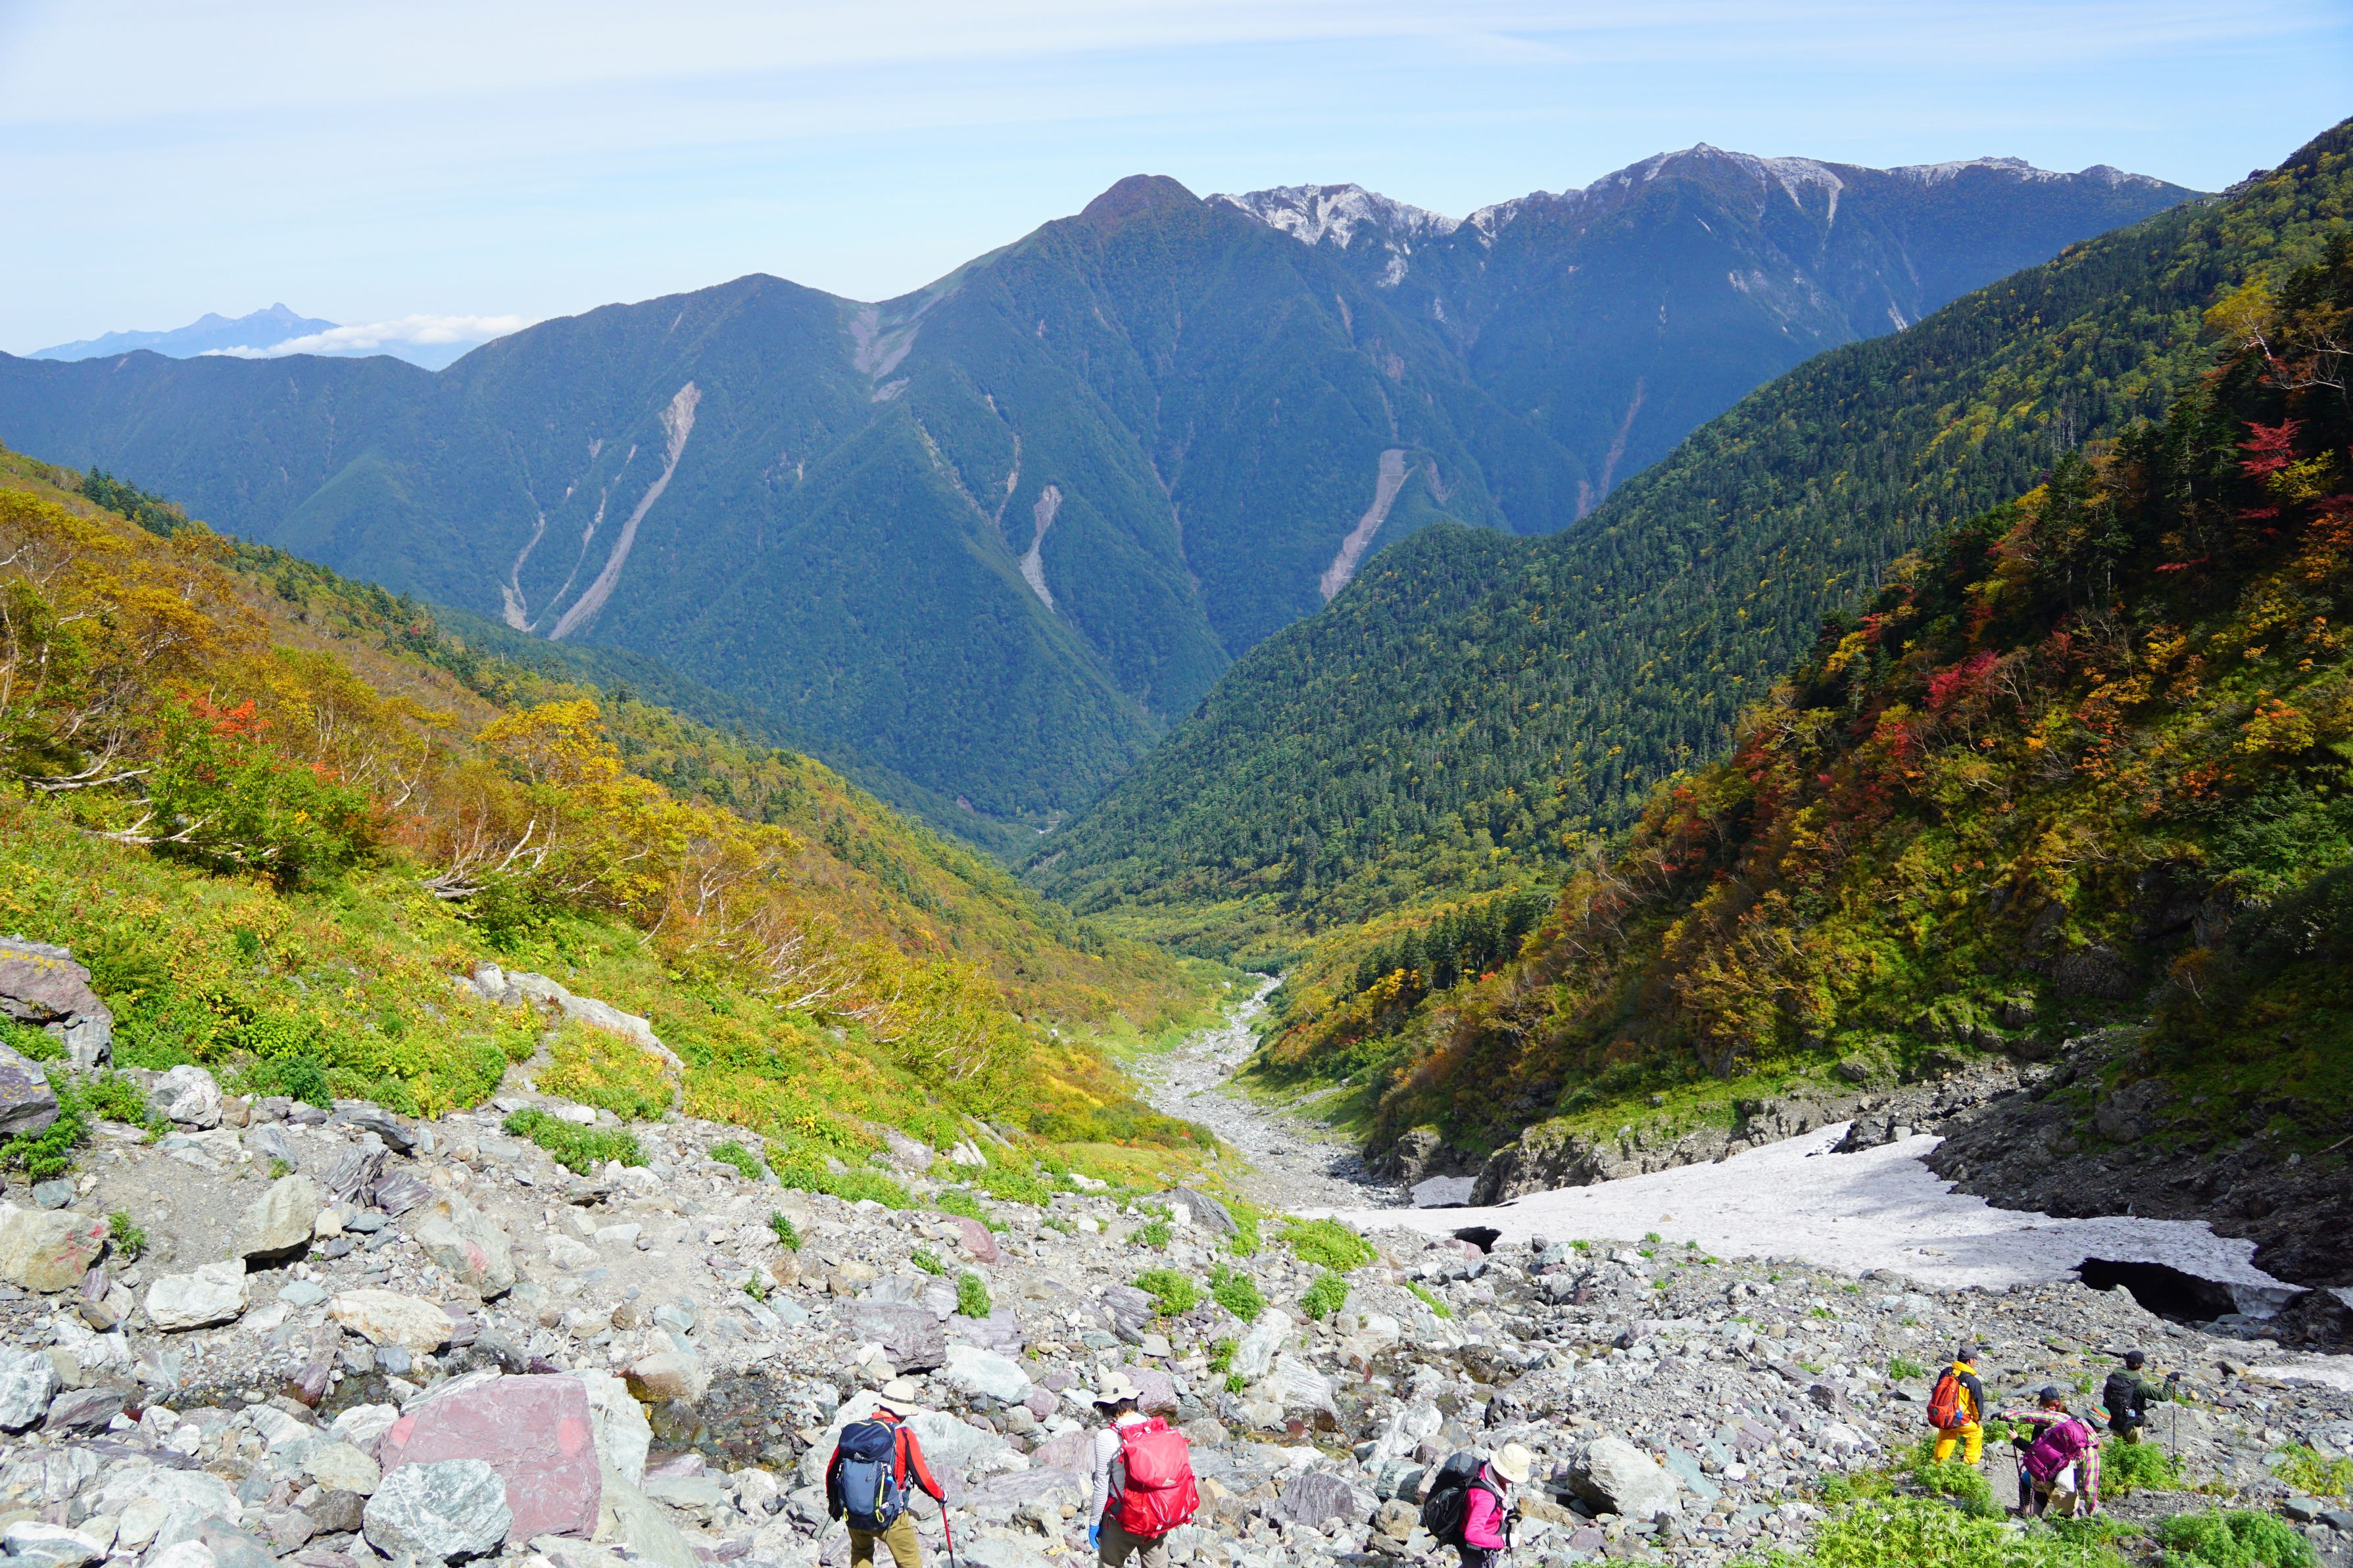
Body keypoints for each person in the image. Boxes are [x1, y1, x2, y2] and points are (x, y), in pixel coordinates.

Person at [827, 1380, 946, 1568]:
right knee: (910, 1563)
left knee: (861, 1554)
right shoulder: (903, 1434)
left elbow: (832, 1470)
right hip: (891, 1516)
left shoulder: (855, 1433)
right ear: (903, 1411)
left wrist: (833, 1503)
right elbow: (922, 1478)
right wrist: (940, 1495)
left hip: (855, 1513)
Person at [1088, 1372, 1166, 1568]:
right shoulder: (1152, 1425)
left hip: (1123, 1515)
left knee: (1109, 1564)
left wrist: (1094, 1523)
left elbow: (1101, 1484)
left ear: (1106, 1405)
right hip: (1156, 1511)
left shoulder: (1106, 1437)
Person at [2013, 1387, 2099, 1519]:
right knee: (2067, 1507)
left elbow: (2033, 1451)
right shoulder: (2072, 1420)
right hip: (2069, 1475)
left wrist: (2017, 1439)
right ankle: (2072, 1518)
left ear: (2042, 1404)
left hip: (2046, 1471)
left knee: (2025, 1480)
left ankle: (2026, 1513)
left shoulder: (2044, 1423)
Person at [1456, 1444, 1533, 1568]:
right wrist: (1503, 1541)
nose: (1514, 1481)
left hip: (1483, 1534)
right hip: (1475, 1548)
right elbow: (1472, 1534)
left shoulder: (1487, 1469)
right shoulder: (1486, 1498)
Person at [1929, 1344, 1989, 1465]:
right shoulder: (1973, 1382)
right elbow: (1976, 1405)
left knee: (1946, 1436)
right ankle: (1969, 1463)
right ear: (1970, 1360)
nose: (1976, 1362)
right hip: (1960, 1418)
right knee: (1976, 1432)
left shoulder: (1945, 1372)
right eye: (1975, 1359)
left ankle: (1938, 1465)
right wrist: (1978, 1420)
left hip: (1944, 1416)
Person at [2102, 1350, 2175, 1444]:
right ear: (2141, 1365)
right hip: (2133, 1423)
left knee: (2118, 1448)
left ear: (2126, 1362)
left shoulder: (2114, 1377)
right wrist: (2170, 1380)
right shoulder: (2139, 1385)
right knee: (2134, 1449)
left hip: (2114, 1420)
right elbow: (2164, 1396)